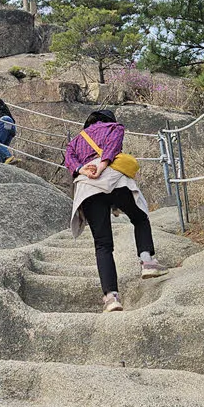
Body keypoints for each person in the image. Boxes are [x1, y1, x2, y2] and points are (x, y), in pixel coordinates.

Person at [65, 109, 165, 312]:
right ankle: (147, 261)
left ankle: (111, 298)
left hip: (88, 187)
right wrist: (101, 167)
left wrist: (83, 169)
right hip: (116, 181)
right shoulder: (114, 127)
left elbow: (70, 159)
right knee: (139, 218)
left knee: (103, 245)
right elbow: (112, 147)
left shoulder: (76, 140)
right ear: (109, 120)